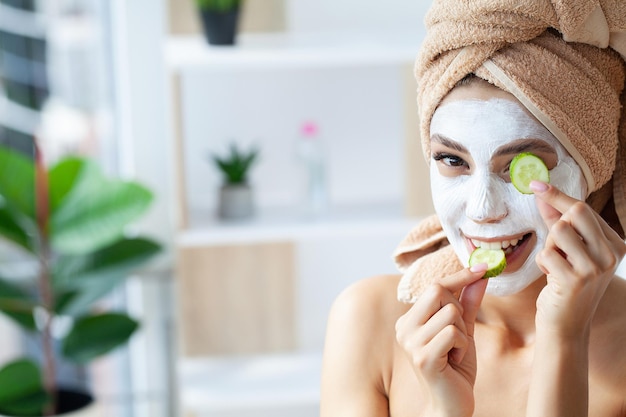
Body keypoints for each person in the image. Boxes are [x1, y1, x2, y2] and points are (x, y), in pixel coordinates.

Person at [320, 2, 626, 416]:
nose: (482, 211)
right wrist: (443, 409)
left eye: (519, 167)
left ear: (592, 171)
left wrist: (564, 339)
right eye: (452, 160)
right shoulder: (367, 321)